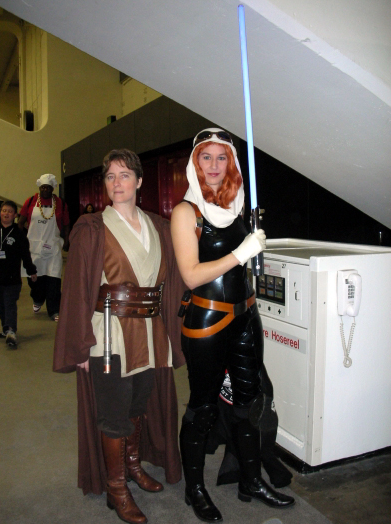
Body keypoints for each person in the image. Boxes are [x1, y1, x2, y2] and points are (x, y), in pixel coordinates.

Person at [53, 149, 185, 524]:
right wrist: (80, 343)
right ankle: (116, 488)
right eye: (110, 176)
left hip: (150, 333)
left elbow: (173, 279)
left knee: (138, 404)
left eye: (124, 175)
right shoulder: (91, 228)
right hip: (109, 334)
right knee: (113, 413)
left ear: (139, 181)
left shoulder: (159, 227)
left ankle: (132, 465)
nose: (117, 183)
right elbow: (77, 288)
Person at [171, 128, 295, 523]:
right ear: (195, 163)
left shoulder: (238, 207)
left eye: (221, 157)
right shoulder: (186, 212)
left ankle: (250, 480)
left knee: (249, 404)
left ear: (232, 164)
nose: (213, 165)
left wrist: (252, 246)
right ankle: (194, 489)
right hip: (207, 321)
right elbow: (191, 275)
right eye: (205, 157)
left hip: (246, 317)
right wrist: (241, 252)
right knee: (203, 408)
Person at [18, 174, 70, 321]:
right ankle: (37, 298)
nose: (45, 190)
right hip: (33, 248)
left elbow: (66, 224)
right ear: (39, 188)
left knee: (54, 279)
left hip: (53, 246)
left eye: (48, 187)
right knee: (34, 279)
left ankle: (54, 310)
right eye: (43, 187)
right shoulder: (30, 201)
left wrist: (67, 240)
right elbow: (20, 222)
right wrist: (21, 240)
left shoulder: (60, 203)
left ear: (53, 188)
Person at [0, 200, 37, 348]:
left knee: (9, 304)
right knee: (0, 305)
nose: (6, 214)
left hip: (12, 279)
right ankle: (6, 328)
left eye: (10, 211)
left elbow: (25, 255)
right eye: (4, 211)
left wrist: (31, 271)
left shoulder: (19, 234)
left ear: (15, 215)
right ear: (0, 213)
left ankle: (11, 331)